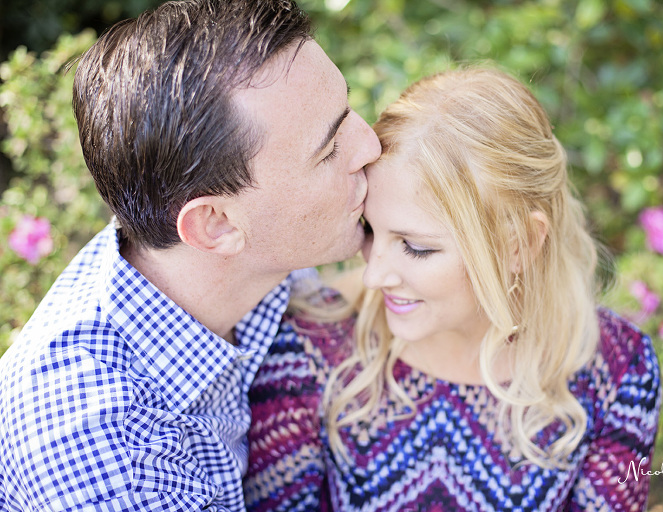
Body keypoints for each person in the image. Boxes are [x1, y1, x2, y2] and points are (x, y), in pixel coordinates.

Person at [0, 0, 381, 510]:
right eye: (330, 149)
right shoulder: (119, 467)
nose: (371, 145)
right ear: (215, 224)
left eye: (347, 109)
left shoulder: (233, 258)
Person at [244, 67, 661, 510]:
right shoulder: (310, 349)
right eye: (370, 230)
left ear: (518, 245)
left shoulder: (616, 370)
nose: (373, 275)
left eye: (416, 247)